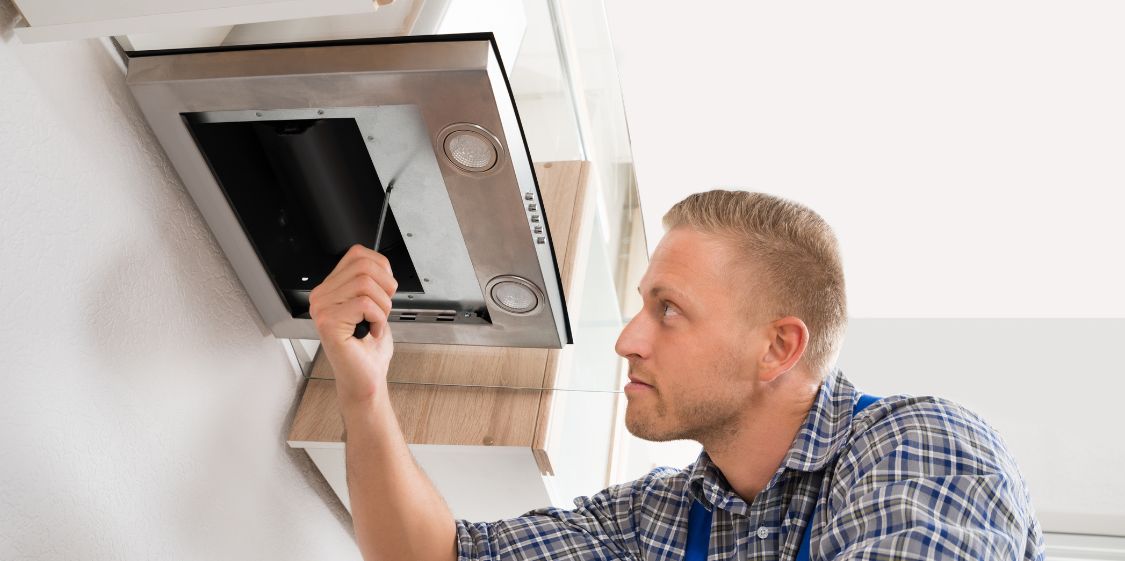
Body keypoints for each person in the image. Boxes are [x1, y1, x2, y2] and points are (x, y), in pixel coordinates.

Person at [309, 190, 1045, 560]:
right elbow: (433, 555)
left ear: (777, 348)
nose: (628, 339)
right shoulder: (658, 518)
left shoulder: (917, 444)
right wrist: (364, 389)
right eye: (640, 306)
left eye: (668, 310)